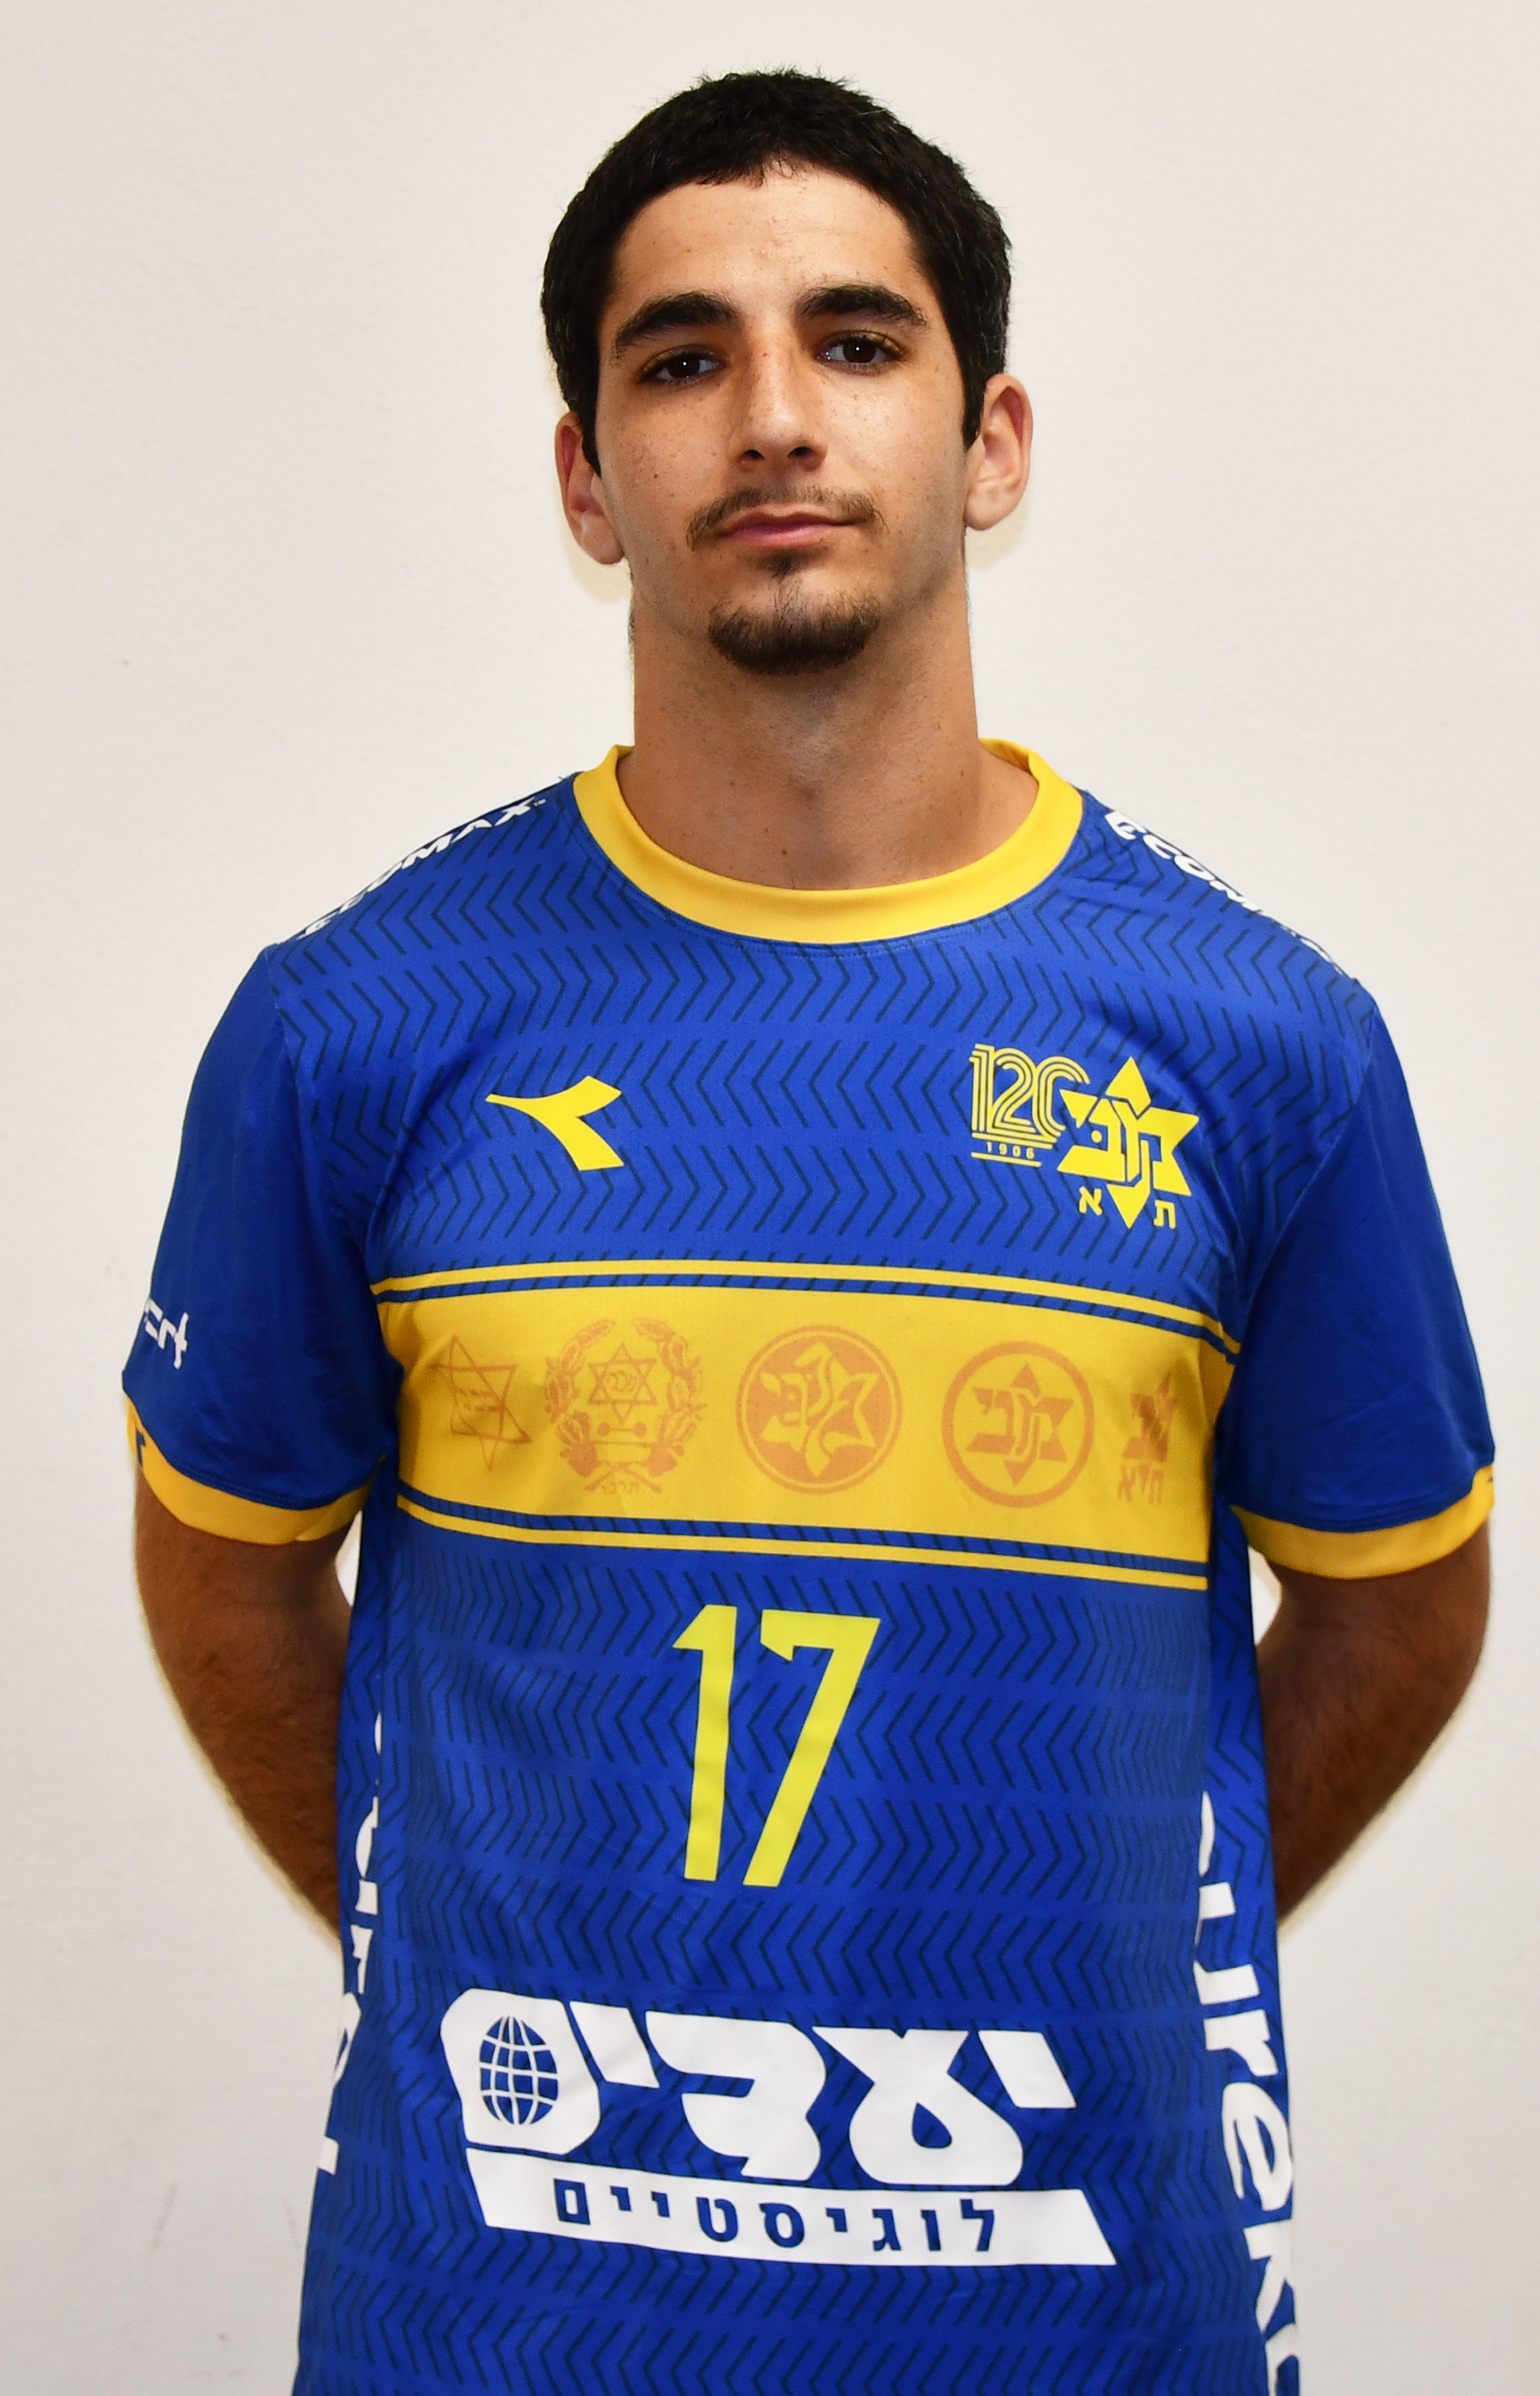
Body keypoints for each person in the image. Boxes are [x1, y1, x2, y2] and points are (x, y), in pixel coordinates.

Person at [127, 68, 1491, 2396]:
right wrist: (462, 1942)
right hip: (499, 2322)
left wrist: (1103, 1966)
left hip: (1092, 2322)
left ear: (992, 441)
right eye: (683, 359)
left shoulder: (1262, 1042)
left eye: (857, 342)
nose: (774, 414)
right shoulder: (354, 1026)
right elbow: (226, 1572)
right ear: (588, 478)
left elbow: (1401, 1603)